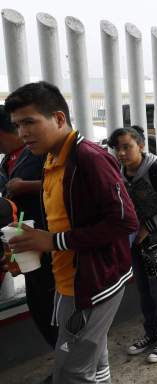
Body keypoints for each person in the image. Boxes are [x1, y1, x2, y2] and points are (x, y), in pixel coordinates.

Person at [5, 81, 138, 384]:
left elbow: (124, 221)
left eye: (29, 121)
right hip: (70, 278)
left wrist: (52, 241)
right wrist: (34, 242)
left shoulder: (90, 158)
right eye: (17, 125)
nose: (22, 132)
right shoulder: (52, 159)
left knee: (72, 373)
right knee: (94, 360)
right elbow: (65, 219)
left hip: (93, 284)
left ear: (59, 119)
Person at [109, 126, 157, 362]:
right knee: (143, 290)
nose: (121, 153)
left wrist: (149, 226)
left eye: (127, 147)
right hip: (135, 244)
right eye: (117, 148)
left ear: (141, 146)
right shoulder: (120, 173)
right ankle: (151, 333)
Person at [0, 106, 58, 360]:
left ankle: (76, 368)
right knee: (40, 308)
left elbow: (64, 183)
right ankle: (65, 364)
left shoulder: (38, 153)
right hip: (24, 245)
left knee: (54, 310)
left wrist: (26, 186)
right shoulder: (8, 160)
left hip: (50, 244)